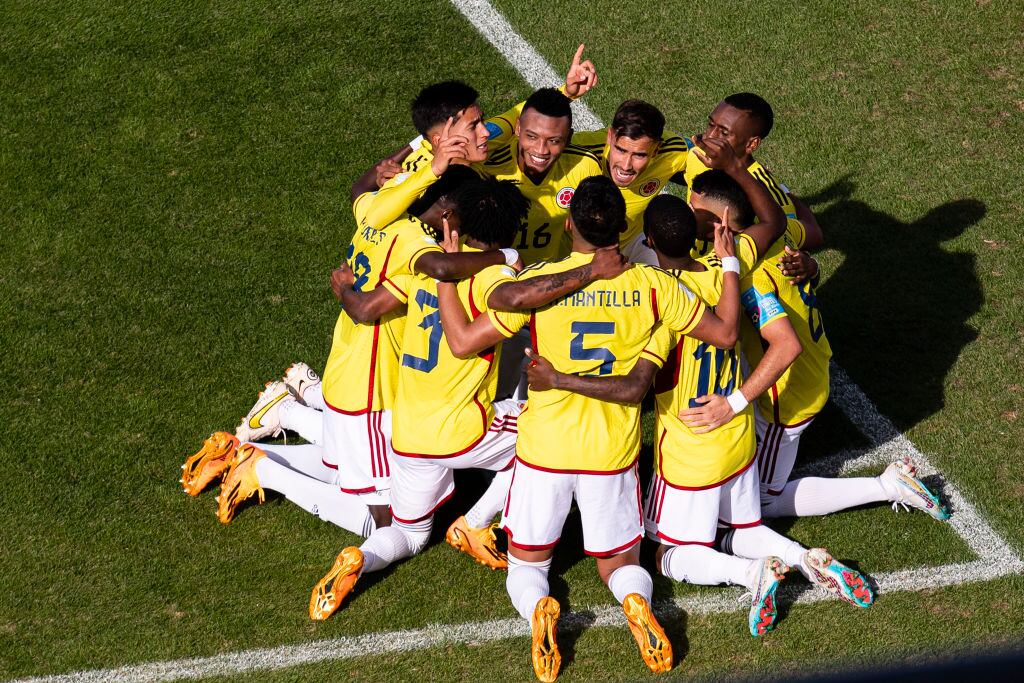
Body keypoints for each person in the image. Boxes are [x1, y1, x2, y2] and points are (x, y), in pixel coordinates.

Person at [526, 194, 876, 639]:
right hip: (737, 434)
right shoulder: (735, 275)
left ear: (649, 241)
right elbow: (784, 342)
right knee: (742, 526)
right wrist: (735, 402)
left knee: (663, 554)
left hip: (690, 447)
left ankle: (752, 576)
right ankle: (804, 559)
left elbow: (634, 377)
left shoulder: (659, 300)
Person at [180, 167, 523, 535]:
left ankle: (281, 417)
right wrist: (506, 255)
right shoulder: (419, 249)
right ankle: (266, 463)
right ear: (446, 212)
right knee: (382, 521)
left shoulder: (378, 217)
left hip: (352, 367)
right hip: (373, 387)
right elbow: (430, 276)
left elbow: (360, 187)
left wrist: (420, 152)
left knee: (341, 465)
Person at [690, 170, 950, 522]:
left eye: (695, 208)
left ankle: (889, 486)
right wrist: (812, 268)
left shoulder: (749, 279)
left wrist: (733, 405)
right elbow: (808, 236)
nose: (689, 211)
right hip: (812, 369)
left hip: (785, 398)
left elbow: (786, 347)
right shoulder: (777, 238)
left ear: (720, 222)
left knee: (764, 502)